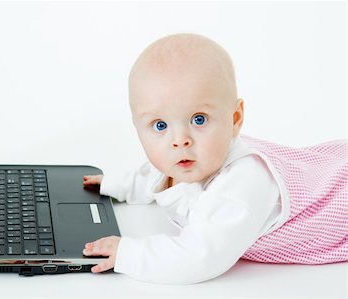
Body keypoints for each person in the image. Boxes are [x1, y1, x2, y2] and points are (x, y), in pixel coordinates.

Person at [81, 33, 348, 284]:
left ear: (235, 119)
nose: (180, 140)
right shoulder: (186, 157)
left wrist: (128, 254)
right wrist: (114, 186)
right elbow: (154, 173)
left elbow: (200, 257)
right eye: (160, 125)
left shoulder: (240, 188)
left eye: (199, 120)